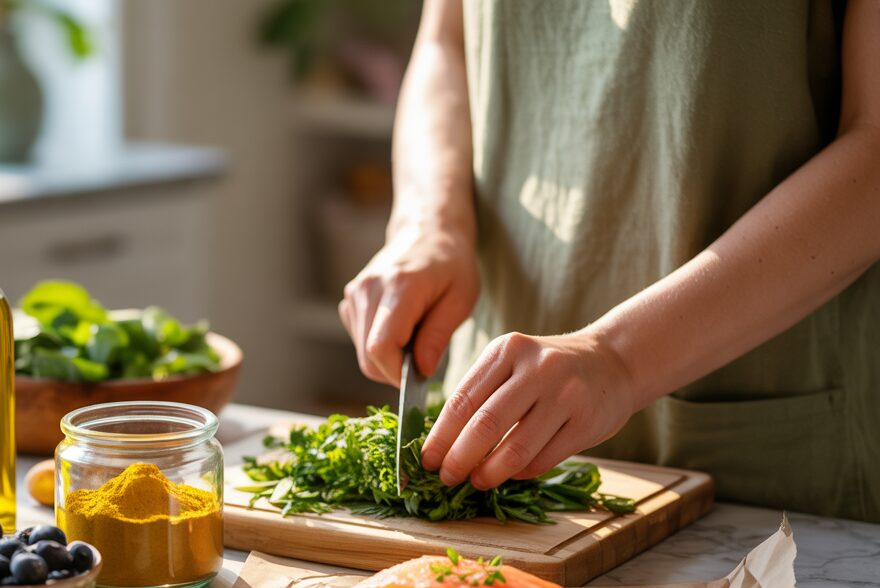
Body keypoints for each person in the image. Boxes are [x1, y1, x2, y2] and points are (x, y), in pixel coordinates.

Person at [340, 0, 880, 522]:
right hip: (497, 418)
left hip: (764, 438)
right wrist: (430, 221)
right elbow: (446, 42)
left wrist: (618, 359)